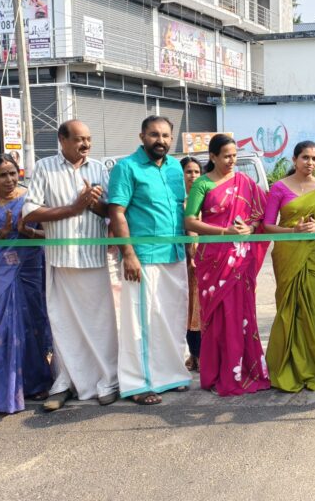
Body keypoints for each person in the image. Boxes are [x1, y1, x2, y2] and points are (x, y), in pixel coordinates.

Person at [22, 119, 119, 411]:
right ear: (62, 140)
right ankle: (65, 383)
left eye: (88, 139)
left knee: (101, 325)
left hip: (94, 259)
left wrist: (93, 205)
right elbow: (29, 212)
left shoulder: (99, 169)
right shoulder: (44, 167)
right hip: (61, 261)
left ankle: (107, 381)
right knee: (64, 326)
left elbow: (110, 212)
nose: (85, 144)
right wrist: (74, 208)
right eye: (79, 139)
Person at [109, 116, 191, 404]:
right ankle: (137, 384)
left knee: (170, 318)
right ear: (142, 136)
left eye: (166, 135)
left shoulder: (173, 168)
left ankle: (170, 375)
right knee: (139, 322)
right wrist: (128, 253)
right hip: (142, 258)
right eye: (154, 135)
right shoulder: (126, 167)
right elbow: (117, 212)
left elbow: (180, 210)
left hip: (174, 254)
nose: (161, 141)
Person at [185, 133, 270, 397]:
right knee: (217, 317)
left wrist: (251, 226)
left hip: (240, 258)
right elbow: (189, 221)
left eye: (234, 155)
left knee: (242, 314)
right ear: (213, 157)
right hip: (213, 258)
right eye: (226, 156)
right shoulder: (202, 184)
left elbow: (261, 213)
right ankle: (216, 373)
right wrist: (224, 233)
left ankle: (245, 369)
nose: (232, 160)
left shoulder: (244, 181)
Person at [0, 153, 52, 414]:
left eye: (13, 173)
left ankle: (35, 382)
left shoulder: (32, 198)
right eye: (2, 175)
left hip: (29, 269)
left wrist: (29, 233)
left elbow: (50, 234)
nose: (9, 179)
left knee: (33, 323)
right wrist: (0, 234)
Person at [263, 141, 315, 392]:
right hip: (288, 252)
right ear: (294, 159)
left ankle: (313, 367)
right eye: (305, 157)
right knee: (288, 308)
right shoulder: (279, 188)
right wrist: (292, 230)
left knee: (313, 311)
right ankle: (285, 366)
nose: (310, 163)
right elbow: (267, 225)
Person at [179, 156, 203, 372]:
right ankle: (194, 355)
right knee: (188, 311)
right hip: (183, 263)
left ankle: (201, 355)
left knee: (201, 310)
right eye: (188, 171)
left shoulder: (207, 199)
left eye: (197, 171)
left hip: (204, 261)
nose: (193, 176)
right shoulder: (178, 202)